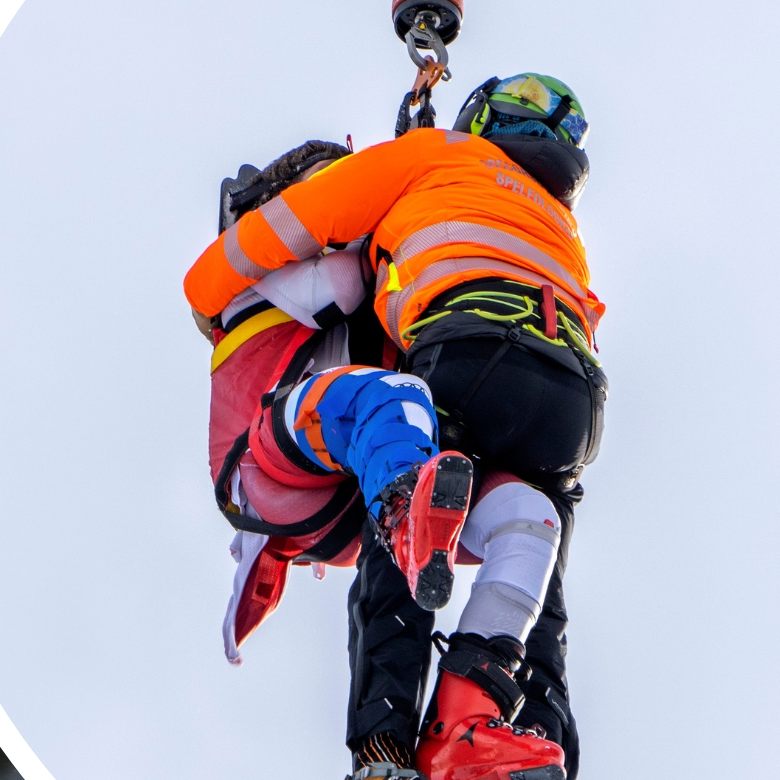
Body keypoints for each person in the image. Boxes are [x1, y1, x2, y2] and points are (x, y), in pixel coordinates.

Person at [185, 71, 608, 780]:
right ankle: (489, 721)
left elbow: (274, 241)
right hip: (576, 404)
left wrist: (208, 293)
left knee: (407, 457)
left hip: (457, 363)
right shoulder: (562, 225)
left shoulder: (433, 156)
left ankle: (394, 744)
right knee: (533, 527)